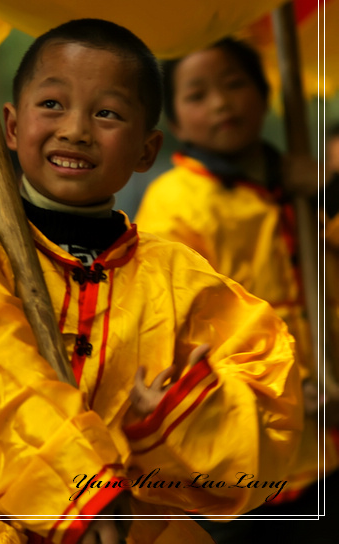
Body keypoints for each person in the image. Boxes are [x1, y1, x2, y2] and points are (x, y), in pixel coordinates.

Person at [0, 20, 302, 544]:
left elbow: (270, 395)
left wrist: (181, 411)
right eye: (52, 104)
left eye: (107, 113)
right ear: (10, 125)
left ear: (147, 150)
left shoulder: (176, 277)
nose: (75, 129)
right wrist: (86, 493)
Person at [135, 36, 339, 542]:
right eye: (198, 95)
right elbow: (176, 330)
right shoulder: (175, 204)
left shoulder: (305, 180)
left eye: (234, 84)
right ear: (175, 122)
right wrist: (287, 392)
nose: (222, 102)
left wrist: (325, 192)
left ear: (265, 92)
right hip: (252, 455)